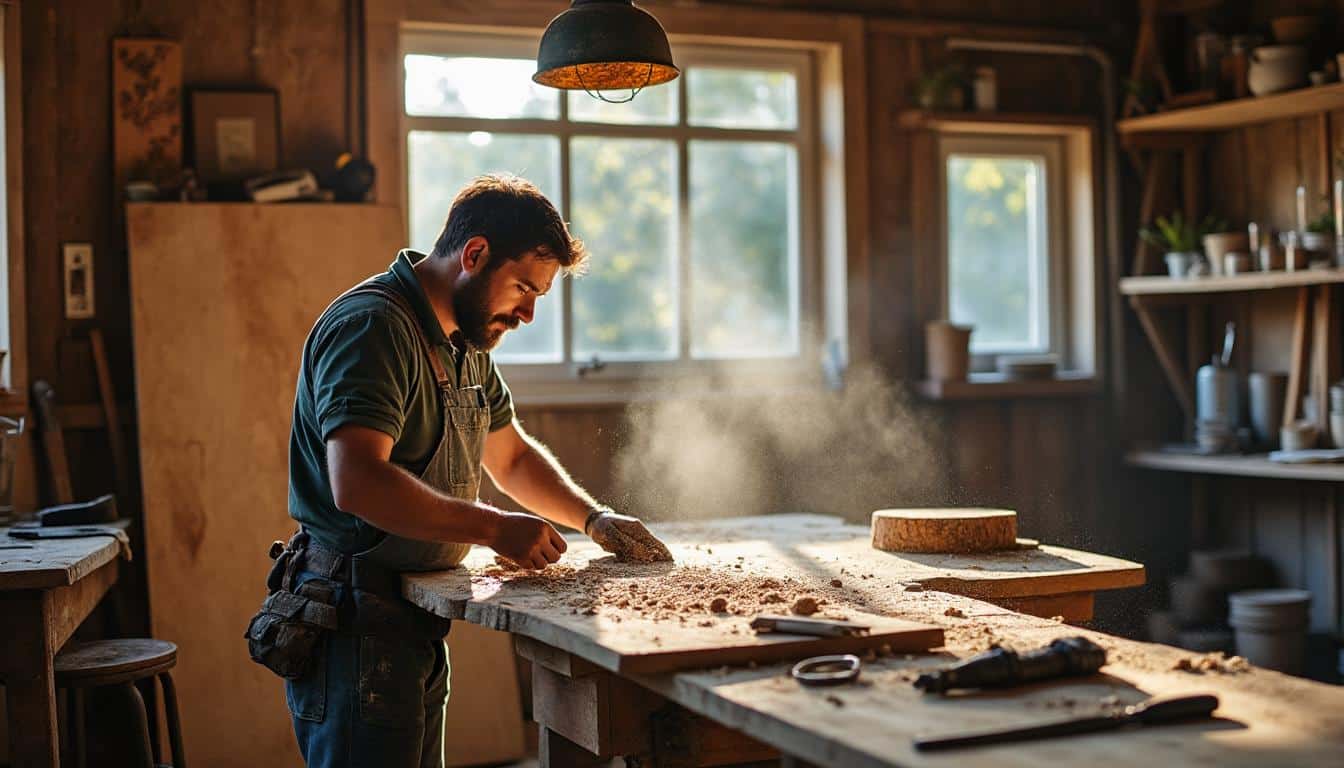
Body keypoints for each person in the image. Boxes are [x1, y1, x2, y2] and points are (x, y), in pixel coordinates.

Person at [253, 174, 672, 768]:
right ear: (474, 254)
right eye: (522, 288)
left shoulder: (465, 341)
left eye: (537, 296)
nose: (527, 313)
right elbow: (358, 481)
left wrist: (593, 520)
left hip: (409, 620)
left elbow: (512, 457)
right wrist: (495, 529)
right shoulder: (375, 326)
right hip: (353, 624)